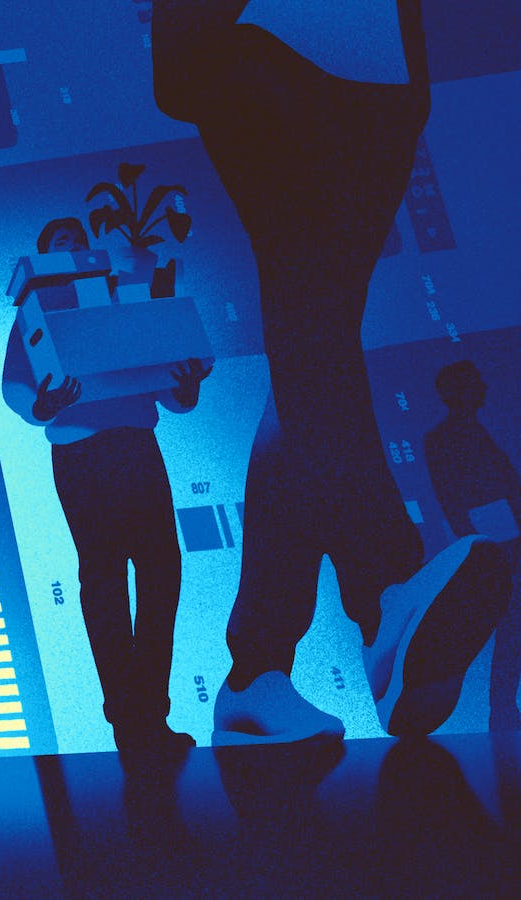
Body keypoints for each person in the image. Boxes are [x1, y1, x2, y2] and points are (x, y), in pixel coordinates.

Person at [149, 0, 511, 743]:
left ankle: (256, 676)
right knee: (314, 330)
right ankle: (384, 595)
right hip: (263, 47)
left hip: (379, 69)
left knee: (312, 351)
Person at [2, 217, 209, 754]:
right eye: (60, 240)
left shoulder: (122, 297)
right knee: (103, 579)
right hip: (80, 454)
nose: (73, 245)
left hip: (137, 446)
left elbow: (163, 382)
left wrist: (184, 387)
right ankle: (127, 718)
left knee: (161, 572)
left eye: (79, 238)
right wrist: (43, 404)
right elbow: (15, 385)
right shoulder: (34, 311)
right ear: (43, 254)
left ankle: (150, 713)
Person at [423, 361, 521, 732]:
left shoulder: (474, 431)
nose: (484, 386)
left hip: (502, 543)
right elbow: (452, 502)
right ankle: (500, 709)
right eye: (475, 382)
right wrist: (482, 548)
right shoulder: (443, 439)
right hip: (494, 546)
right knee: (508, 626)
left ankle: (502, 709)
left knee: (512, 627)